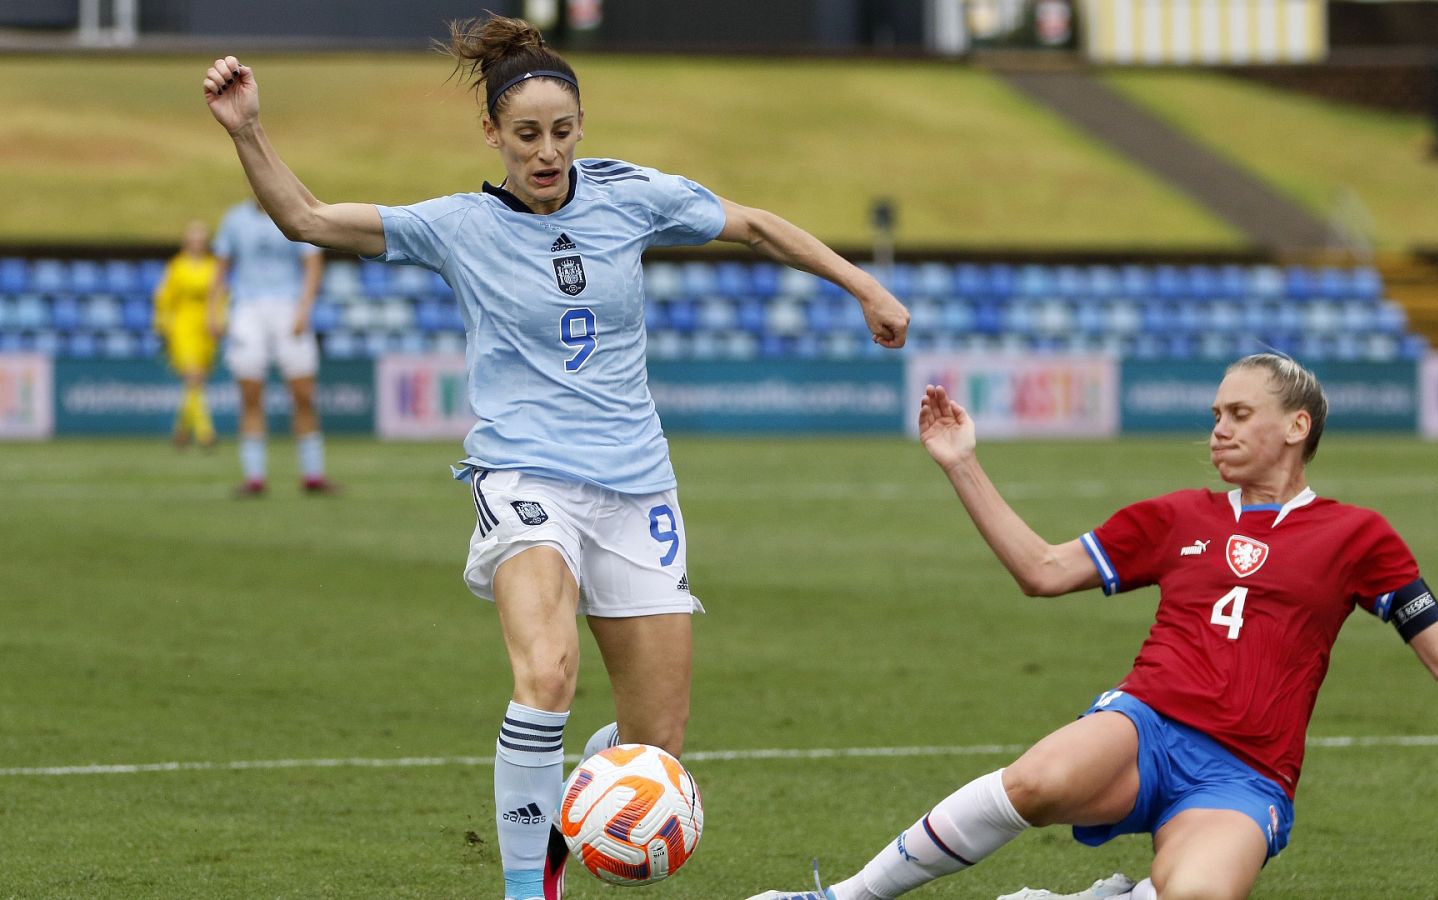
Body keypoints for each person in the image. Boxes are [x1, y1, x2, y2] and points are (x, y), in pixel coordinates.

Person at [201, 15, 908, 900]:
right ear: (491, 133)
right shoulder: (457, 225)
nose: (547, 153)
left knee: (656, 745)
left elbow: (757, 227)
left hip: (637, 485)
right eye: (527, 134)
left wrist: (865, 286)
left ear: (581, 128)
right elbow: (307, 219)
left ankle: (561, 822)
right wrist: (248, 129)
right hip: (525, 475)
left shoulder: (631, 195)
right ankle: (525, 888)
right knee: (547, 674)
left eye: (563, 132)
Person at [750, 354, 1438, 900]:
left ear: (1296, 426)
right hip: (1148, 725)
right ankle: (840, 898)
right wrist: (962, 464)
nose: (1218, 429)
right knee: (1036, 782)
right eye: (1215, 414)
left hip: (1248, 776)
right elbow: (1041, 571)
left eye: (1238, 414)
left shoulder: (1358, 535)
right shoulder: (1176, 516)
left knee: (1197, 896)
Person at [209, 196, 330, 495]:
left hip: (288, 305)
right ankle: (254, 476)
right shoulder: (234, 218)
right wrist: (213, 310)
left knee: (303, 393)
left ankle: (313, 474)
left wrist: (304, 309)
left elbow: (312, 264)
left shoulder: (292, 213)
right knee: (250, 395)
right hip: (247, 308)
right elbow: (221, 268)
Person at [152, 220, 221, 449]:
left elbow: (220, 296)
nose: (197, 244)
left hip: (206, 324)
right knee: (193, 377)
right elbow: (164, 297)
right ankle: (205, 432)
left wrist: (220, 320)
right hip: (183, 325)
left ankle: (181, 431)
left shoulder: (214, 266)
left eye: (201, 240)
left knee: (197, 381)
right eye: (194, 240)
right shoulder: (177, 266)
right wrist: (163, 325)